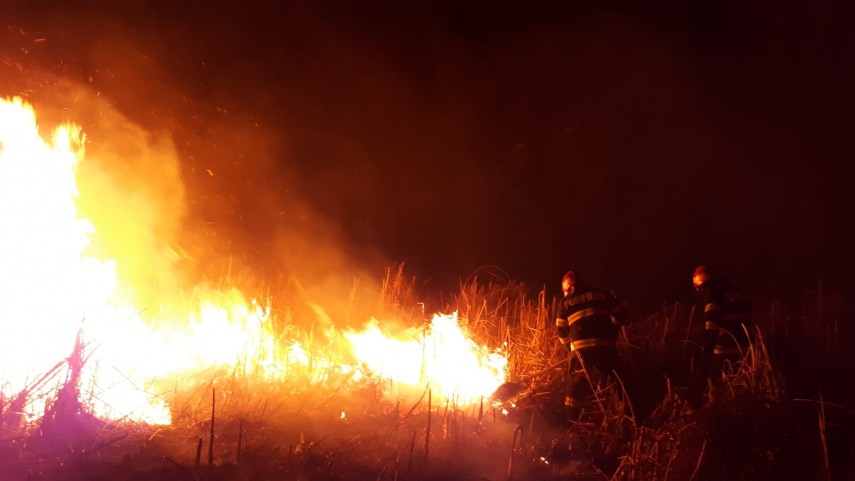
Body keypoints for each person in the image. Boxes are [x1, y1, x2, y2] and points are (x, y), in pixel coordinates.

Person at [555, 270, 628, 422]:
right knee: (619, 380)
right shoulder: (603, 294)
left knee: (576, 387)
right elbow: (621, 315)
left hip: (581, 349)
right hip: (606, 346)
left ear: (568, 288)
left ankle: (571, 421)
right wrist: (613, 329)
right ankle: (628, 415)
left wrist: (570, 349)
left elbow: (561, 330)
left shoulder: (565, 302)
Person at [691, 265, 753, 398]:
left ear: (702, 285)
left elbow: (711, 326)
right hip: (745, 350)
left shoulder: (712, 293)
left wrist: (706, 355)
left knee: (720, 390)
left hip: (724, 351)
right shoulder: (736, 292)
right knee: (740, 389)